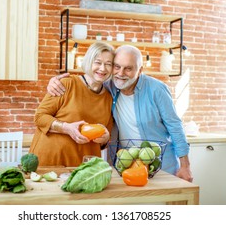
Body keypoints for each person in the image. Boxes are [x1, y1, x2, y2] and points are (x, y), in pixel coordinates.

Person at [47, 45, 193, 182]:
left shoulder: (157, 89)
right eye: (117, 67)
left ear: (140, 70)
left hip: (159, 166)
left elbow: (175, 126)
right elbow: (89, 80)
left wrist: (185, 166)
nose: (121, 73)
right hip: (126, 164)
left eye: (128, 69)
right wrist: (55, 82)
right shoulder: (109, 86)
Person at [31, 41, 114, 167]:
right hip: (51, 161)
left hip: (83, 167)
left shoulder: (109, 98)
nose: (102, 68)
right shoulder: (66, 84)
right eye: (98, 62)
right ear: (88, 62)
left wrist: (106, 138)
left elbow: (104, 136)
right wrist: (67, 128)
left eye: (108, 64)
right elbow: (39, 117)